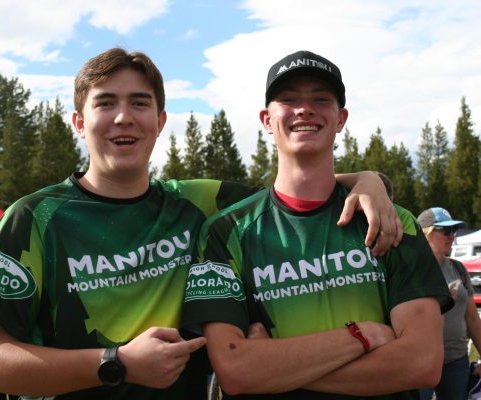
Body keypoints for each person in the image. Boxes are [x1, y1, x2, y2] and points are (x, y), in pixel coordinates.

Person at [0, 47, 401, 400]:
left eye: (140, 103)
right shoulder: (32, 218)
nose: (124, 117)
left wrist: (368, 181)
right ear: (79, 122)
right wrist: (116, 363)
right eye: (105, 102)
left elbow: (294, 190)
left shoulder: (198, 200)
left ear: (160, 122)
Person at [181, 50, 454, 399]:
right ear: (267, 119)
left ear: (340, 118)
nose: (305, 108)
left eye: (321, 99)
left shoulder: (390, 220)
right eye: (289, 99)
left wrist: (273, 366)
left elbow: (422, 363)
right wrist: (361, 336)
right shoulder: (224, 231)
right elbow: (235, 370)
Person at [417, 207, 481, 400]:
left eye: (454, 231)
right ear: (426, 234)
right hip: (419, 361)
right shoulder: (411, 271)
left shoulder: (458, 268)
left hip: (456, 360)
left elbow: (472, 318)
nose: (452, 236)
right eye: (446, 231)